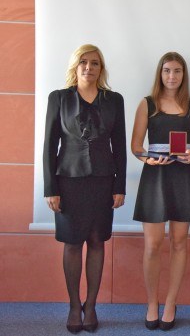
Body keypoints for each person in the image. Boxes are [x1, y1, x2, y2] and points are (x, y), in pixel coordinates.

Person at [43, 44, 126, 333]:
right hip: (68, 181)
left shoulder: (114, 100)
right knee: (72, 242)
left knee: (97, 241)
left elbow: (120, 146)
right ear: (75, 66)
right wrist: (50, 188)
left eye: (94, 63)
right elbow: (49, 145)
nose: (88, 67)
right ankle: (73, 305)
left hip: (103, 181)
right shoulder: (59, 98)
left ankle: (91, 306)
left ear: (101, 68)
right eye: (83, 62)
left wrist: (120, 186)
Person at [131, 52, 190, 331]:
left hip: (183, 175)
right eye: (167, 71)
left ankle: (171, 303)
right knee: (153, 244)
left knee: (179, 242)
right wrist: (147, 159)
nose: (172, 76)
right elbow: (136, 146)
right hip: (155, 176)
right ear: (160, 73)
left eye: (177, 71)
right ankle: (152, 302)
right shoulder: (147, 103)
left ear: (183, 74)